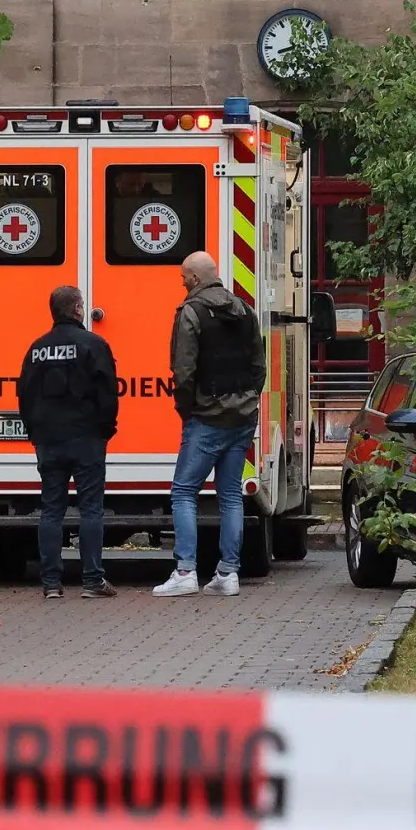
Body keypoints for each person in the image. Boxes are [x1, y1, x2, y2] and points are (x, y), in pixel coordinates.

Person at [153, 251, 265, 598]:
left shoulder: (192, 312)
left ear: (196, 279)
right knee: (231, 495)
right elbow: (259, 365)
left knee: (184, 491)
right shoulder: (245, 310)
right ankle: (228, 574)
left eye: (184, 277)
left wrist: (187, 409)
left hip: (206, 417)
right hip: (243, 416)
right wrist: (248, 400)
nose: (183, 282)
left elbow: (183, 370)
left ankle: (186, 570)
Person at [17, 286, 120, 600]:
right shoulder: (94, 345)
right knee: (91, 509)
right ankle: (92, 581)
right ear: (76, 309)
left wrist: (35, 430)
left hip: (49, 439)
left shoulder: (36, 349)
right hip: (86, 437)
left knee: (51, 510)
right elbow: (108, 392)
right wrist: (106, 428)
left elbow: (25, 394)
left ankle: (51, 584)